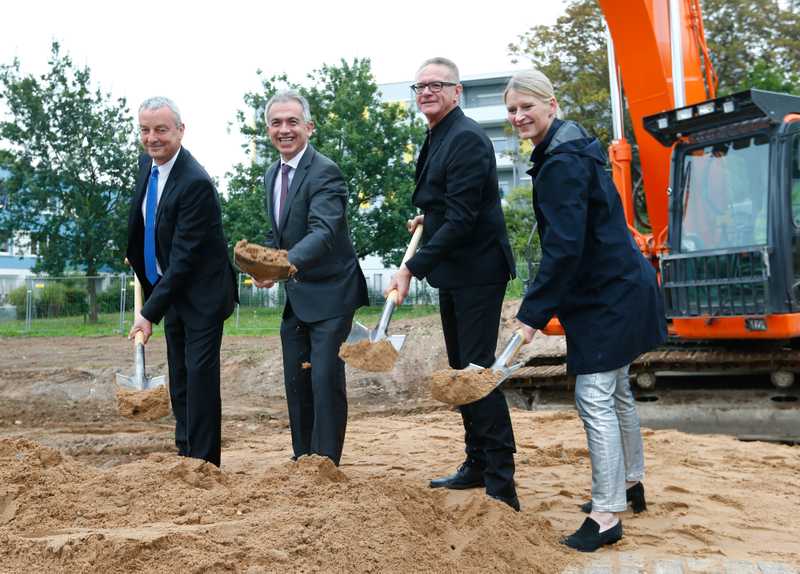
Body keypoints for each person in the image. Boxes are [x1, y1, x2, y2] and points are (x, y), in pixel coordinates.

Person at [504, 70, 667, 551]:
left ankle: (606, 514)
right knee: (617, 393)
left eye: (525, 107)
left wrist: (532, 313)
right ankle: (630, 484)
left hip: (606, 297)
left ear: (550, 104)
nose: (517, 117)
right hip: (620, 285)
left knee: (595, 398)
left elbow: (563, 247)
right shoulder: (573, 147)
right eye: (511, 110)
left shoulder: (561, 162)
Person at [386, 57, 519, 511]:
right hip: (458, 271)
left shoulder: (465, 138)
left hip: (478, 271)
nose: (426, 92)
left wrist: (411, 268)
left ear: (457, 91)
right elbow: (452, 203)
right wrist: (430, 216)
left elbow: (464, 218)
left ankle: (502, 483)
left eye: (436, 85)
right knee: (463, 365)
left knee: (475, 374)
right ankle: (477, 464)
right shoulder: (438, 133)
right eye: (419, 85)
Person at [253, 90, 368, 466]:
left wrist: (283, 265)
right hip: (298, 296)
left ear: (309, 127)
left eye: (292, 122)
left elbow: (324, 232)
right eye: (276, 122)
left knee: (323, 382)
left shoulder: (325, 171)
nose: (284, 129)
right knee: (296, 381)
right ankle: (303, 457)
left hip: (333, 294)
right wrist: (263, 266)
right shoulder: (271, 174)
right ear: (268, 128)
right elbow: (280, 234)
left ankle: (326, 464)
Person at [127, 96, 237, 467]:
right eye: (145, 130)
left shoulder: (196, 183)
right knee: (180, 377)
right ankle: (185, 450)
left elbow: (186, 257)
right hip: (169, 289)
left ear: (180, 130)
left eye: (161, 129)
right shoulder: (147, 166)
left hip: (203, 295)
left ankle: (204, 464)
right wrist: (140, 260)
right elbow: (145, 223)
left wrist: (148, 313)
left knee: (200, 378)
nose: (152, 138)